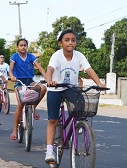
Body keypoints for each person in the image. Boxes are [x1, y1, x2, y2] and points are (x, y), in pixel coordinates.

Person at [45, 29, 104, 162]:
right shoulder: (56, 56)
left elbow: (89, 70)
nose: (70, 43)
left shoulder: (79, 56)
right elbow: (50, 69)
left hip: (71, 88)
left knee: (80, 108)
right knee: (53, 120)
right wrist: (49, 80)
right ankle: (49, 151)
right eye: (67, 40)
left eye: (73, 40)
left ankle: (78, 126)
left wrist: (99, 83)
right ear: (61, 43)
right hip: (55, 89)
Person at [9, 38, 47, 141]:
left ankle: (34, 108)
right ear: (17, 47)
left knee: (43, 88)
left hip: (30, 81)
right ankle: (14, 130)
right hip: (19, 81)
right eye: (21, 45)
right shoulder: (14, 56)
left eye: (25, 45)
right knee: (20, 104)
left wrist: (47, 77)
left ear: (27, 46)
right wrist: (12, 76)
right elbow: (11, 69)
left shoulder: (31, 56)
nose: (23, 47)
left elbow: (40, 68)